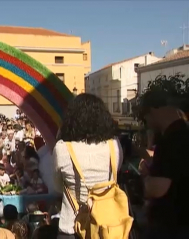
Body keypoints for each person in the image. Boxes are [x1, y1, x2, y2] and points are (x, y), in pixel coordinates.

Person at [52, 93, 123, 239]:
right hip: (107, 228)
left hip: (71, 227)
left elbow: (57, 187)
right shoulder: (114, 146)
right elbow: (114, 174)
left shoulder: (63, 148)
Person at [137, 90, 189, 238]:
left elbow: (157, 189)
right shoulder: (181, 132)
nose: (146, 122)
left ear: (152, 110)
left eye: (145, 116)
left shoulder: (172, 140)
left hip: (172, 227)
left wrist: (146, 179)